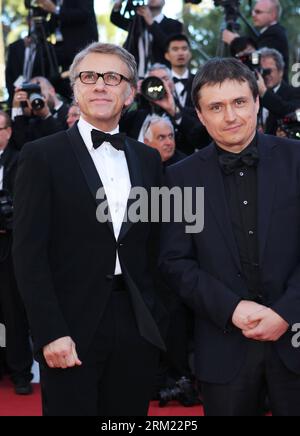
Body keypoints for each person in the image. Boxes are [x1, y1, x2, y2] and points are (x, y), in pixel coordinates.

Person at [13, 42, 166, 416]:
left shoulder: (148, 160)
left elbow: (155, 247)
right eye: (89, 76)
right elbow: (29, 255)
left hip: (135, 325)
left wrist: (154, 319)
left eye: (112, 77)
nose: (100, 85)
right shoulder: (40, 156)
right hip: (70, 324)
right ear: (75, 88)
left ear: (130, 92)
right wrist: (50, 332)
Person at [160, 58, 300, 416]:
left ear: (256, 101)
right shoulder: (178, 178)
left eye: (239, 102)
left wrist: (285, 311)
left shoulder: (297, 160)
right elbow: (175, 262)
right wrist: (232, 309)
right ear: (200, 114)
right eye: (216, 107)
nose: (230, 116)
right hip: (223, 350)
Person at [0, 111, 33, 395]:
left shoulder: (21, 159)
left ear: (9, 131)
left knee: (13, 311)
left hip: (11, 245)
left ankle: (20, 371)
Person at [111, 0, 183, 78]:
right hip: (136, 76)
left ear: (164, 2)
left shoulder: (174, 25)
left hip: (162, 76)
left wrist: (151, 22)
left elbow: (169, 46)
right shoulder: (137, 22)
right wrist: (118, 4)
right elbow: (116, 19)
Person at [223, 0, 289, 81]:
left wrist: (234, 41)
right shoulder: (270, 33)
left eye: (258, 12)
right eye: (253, 11)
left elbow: (258, 60)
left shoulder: (274, 33)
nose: (253, 14)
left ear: (273, 15)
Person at [36, 0, 99, 71]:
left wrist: (55, 10)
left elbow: (83, 13)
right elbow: (53, 23)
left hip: (81, 48)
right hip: (62, 48)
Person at [256, 48, 300, 135]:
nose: (266, 75)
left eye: (269, 71)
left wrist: (265, 93)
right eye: (263, 71)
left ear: (281, 72)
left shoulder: (294, 92)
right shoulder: (255, 95)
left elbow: (288, 110)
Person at [164, 34, 194, 110]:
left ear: (190, 54)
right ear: (167, 55)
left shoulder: (199, 81)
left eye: (184, 48)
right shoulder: (161, 82)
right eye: (175, 49)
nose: (180, 53)